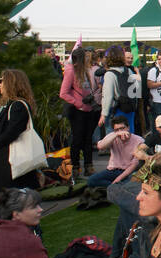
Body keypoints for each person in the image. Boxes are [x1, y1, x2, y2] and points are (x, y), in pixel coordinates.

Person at [0, 68, 42, 192]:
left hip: (13, 158)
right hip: (9, 156)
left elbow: (13, 131)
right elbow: (2, 127)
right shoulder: (11, 104)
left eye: (2, 81)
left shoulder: (18, 105)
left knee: (15, 195)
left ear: (10, 83)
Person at [62, 47, 100, 178]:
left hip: (88, 109)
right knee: (77, 140)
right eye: (86, 57)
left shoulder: (84, 71)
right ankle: (75, 167)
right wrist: (79, 104)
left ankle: (89, 166)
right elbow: (63, 93)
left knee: (88, 139)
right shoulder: (71, 71)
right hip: (77, 111)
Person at [88, 115, 144, 189]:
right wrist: (116, 134)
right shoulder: (113, 136)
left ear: (128, 127)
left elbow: (134, 164)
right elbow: (100, 146)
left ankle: (116, 187)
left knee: (133, 183)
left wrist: (118, 179)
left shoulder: (139, 140)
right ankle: (117, 188)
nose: (120, 132)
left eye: (122, 128)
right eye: (117, 130)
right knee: (91, 181)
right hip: (113, 170)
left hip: (128, 172)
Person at [100, 45, 142, 135]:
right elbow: (136, 91)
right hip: (130, 109)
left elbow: (108, 96)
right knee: (129, 137)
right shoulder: (128, 71)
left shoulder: (109, 74)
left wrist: (104, 114)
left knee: (115, 140)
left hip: (115, 110)